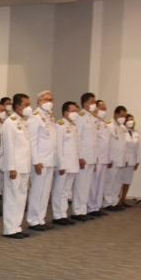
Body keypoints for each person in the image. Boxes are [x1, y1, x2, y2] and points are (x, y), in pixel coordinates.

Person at [1, 94, 32, 238]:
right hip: (15, 167)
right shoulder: (10, 122)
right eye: (26, 104)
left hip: (24, 166)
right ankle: (9, 229)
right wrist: (11, 168)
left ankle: (17, 226)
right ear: (18, 106)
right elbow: (9, 146)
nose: (28, 107)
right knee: (12, 198)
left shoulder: (23, 121)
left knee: (21, 198)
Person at [25, 91, 57, 231]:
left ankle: (40, 219)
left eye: (51, 99)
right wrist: (36, 161)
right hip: (40, 161)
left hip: (50, 160)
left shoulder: (50, 117)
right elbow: (32, 141)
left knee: (45, 192)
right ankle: (33, 220)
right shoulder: (35, 117)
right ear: (39, 102)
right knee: (37, 191)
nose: (49, 102)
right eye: (46, 100)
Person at [51, 102, 80, 226]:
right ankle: (57, 215)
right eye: (73, 111)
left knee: (66, 191)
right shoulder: (60, 124)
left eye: (76, 111)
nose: (75, 113)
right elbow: (58, 146)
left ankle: (63, 214)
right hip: (64, 164)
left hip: (72, 164)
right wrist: (61, 164)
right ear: (65, 112)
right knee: (59, 190)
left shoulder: (73, 125)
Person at [72, 92, 97, 221]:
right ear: (85, 103)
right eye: (92, 102)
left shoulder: (92, 117)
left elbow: (94, 140)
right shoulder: (80, 116)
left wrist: (95, 157)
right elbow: (78, 137)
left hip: (91, 156)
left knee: (87, 185)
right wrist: (80, 156)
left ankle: (83, 209)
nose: (94, 104)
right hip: (84, 156)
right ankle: (77, 211)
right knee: (80, 185)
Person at [88, 99, 111, 216]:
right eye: (102, 108)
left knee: (101, 184)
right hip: (96, 158)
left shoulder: (104, 123)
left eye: (105, 109)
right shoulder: (93, 121)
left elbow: (107, 142)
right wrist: (95, 156)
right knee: (93, 183)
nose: (104, 111)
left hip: (104, 157)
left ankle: (97, 206)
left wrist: (109, 158)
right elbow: (93, 142)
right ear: (96, 108)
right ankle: (91, 207)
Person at [103, 105, 127, 211]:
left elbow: (124, 145)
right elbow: (107, 144)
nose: (123, 118)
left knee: (118, 182)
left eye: (124, 116)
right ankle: (107, 203)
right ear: (115, 114)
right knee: (110, 182)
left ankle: (114, 201)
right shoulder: (109, 125)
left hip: (121, 159)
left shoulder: (123, 128)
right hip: (112, 159)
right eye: (121, 115)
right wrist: (108, 159)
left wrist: (125, 159)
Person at [119, 114, 141, 206]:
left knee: (127, 180)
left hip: (132, 160)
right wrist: (123, 158)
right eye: (129, 120)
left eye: (132, 120)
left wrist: (137, 161)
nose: (130, 122)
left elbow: (138, 148)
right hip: (122, 159)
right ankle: (116, 199)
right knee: (119, 181)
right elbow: (121, 147)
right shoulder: (121, 131)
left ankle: (123, 199)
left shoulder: (136, 133)